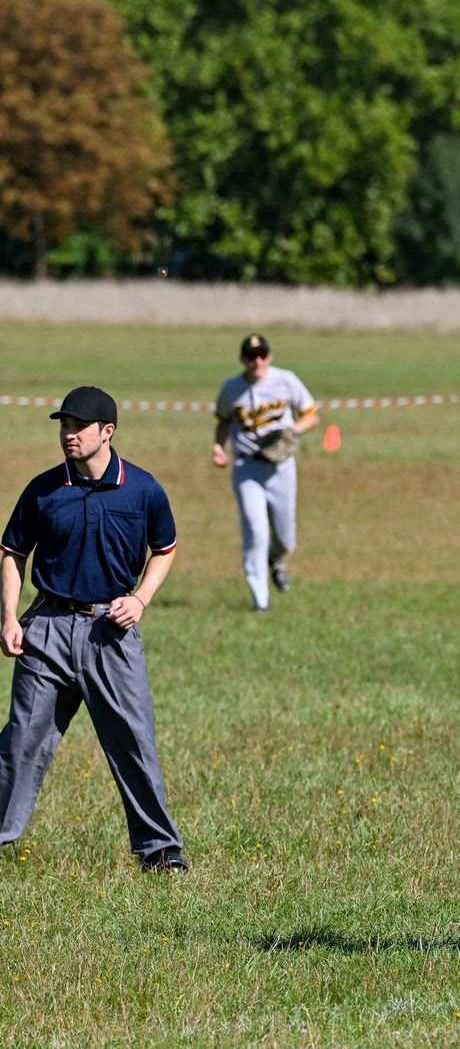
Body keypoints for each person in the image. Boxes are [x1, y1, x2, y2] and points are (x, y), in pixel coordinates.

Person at [0, 386, 188, 871]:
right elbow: (12, 553)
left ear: (107, 432)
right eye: (63, 425)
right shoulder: (43, 489)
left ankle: (161, 852)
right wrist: (8, 617)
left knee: (134, 740)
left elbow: (164, 549)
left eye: (77, 426)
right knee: (21, 739)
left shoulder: (142, 489)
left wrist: (140, 599)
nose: (68, 434)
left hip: (112, 633)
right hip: (48, 629)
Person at [212, 334, 318, 612]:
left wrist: (293, 430)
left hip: (281, 466)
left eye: (262, 355)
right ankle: (261, 600)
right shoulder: (231, 388)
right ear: (242, 359)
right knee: (256, 532)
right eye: (250, 356)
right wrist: (217, 446)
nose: (257, 361)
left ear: (269, 356)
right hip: (247, 467)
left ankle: (276, 558)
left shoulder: (286, 380)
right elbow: (223, 421)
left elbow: (311, 415)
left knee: (286, 538)